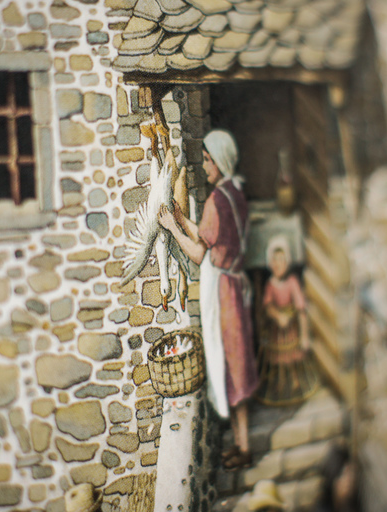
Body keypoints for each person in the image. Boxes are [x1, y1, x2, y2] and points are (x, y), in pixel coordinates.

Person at [159, 129, 259, 470]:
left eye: (207, 160)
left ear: (220, 160)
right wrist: (181, 218)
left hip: (224, 290)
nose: (204, 166)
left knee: (231, 362)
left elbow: (200, 253)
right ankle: (242, 444)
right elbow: (208, 235)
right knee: (236, 362)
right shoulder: (235, 193)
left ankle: (245, 447)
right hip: (235, 285)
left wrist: (172, 228)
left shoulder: (217, 199)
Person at [257, 236, 318, 405]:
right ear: (270, 264)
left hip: (291, 330)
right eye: (275, 260)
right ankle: (280, 383)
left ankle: (295, 380)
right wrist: (278, 316)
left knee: (292, 357)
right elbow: (268, 306)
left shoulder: (292, 282)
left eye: (281, 260)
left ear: (287, 263)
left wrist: (304, 336)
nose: (278, 264)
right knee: (279, 359)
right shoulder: (270, 285)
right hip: (277, 332)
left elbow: (301, 309)